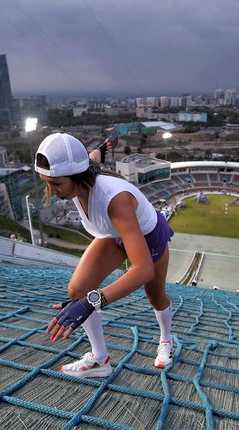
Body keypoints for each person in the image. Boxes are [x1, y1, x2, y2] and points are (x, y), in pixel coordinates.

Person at [37, 133, 175, 378]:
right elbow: (93, 157)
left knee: (155, 296)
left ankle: (166, 339)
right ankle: (99, 359)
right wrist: (103, 147)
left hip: (147, 236)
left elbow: (143, 270)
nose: (52, 191)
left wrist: (92, 302)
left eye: (56, 184)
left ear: (77, 175)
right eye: (46, 183)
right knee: (77, 289)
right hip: (116, 234)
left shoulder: (117, 200)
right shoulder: (83, 171)